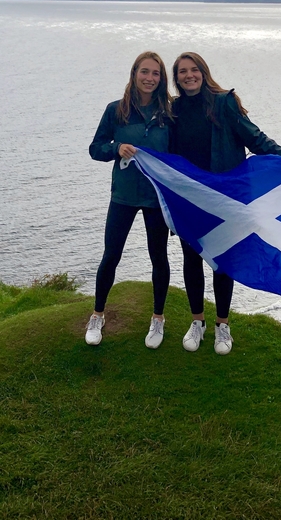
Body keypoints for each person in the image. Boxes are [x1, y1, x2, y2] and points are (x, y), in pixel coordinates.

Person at [170, 52, 281, 355]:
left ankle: (222, 326)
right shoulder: (172, 110)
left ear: (203, 71)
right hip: (189, 198)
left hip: (224, 198)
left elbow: (255, 138)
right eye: (182, 71)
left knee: (224, 261)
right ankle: (196, 322)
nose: (189, 75)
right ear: (176, 78)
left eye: (194, 69)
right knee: (192, 259)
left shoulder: (223, 102)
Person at [86, 51, 172, 348]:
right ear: (134, 73)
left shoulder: (169, 112)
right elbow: (95, 148)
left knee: (158, 257)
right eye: (145, 72)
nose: (150, 78)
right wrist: (117, 147)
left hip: (156, 197)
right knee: (111, 255)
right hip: (123, 195)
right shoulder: (116, 110)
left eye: (156, 74)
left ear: (162, 79)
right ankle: (98, 314)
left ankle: (158, 318)